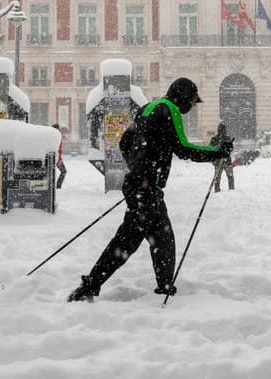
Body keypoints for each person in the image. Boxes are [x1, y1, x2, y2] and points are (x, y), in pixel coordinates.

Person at [68, 77, 229, 302]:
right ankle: (95, 287)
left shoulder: (148, 107)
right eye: (192, 101)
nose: (192, 107)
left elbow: (125, 142)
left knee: (149, 238)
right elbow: (183, 149)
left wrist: (138, 168)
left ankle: (154, 285)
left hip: (140, 186)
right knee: (141, 240)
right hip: (146, 189)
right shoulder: (170, 109)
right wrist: (218, 152)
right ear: (181, 96)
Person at [210, 122, 235, 192]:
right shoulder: (215, 138)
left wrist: (228, 148)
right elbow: (211, 149)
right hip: (219, 161)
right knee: (218, 177)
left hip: (226, 160)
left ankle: (231, 189)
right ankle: (218, 189)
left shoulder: (227, 138)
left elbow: (231, 148)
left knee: (229, 176)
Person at [52, 124, 67, 190]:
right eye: (58, 129)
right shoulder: (56, 137)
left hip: (55, 158)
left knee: (52, 173)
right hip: (57, 158)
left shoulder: (53, 136)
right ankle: (58, 187)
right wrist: (59, 160)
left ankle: (56, 186)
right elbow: (58, 150)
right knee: (63, 171)